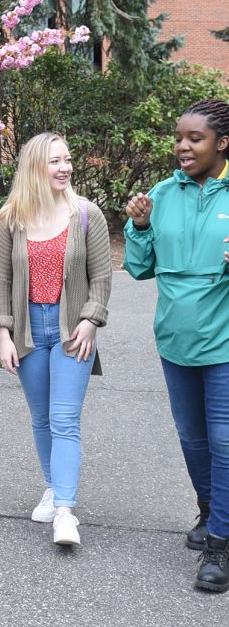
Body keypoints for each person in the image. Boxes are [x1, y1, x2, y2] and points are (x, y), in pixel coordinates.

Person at [124, 98, 229, 593]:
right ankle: (210, 512)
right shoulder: (161, 194)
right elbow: (140, 268)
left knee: (226, 442)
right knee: (192, 438)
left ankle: (221, 544)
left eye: (195, 139)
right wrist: (140, 227)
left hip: (225, 341)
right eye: (179, 137)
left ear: (222, 144)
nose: (183, 146)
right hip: (175, 340)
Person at [0, 132, 112, 547]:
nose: (65, 168)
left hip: (70, 329)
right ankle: (52, 485)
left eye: (68, 160)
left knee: (64, 419)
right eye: (55, 161)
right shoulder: (10, 219)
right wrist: (4, 334)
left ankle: (65, 512)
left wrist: (92, 320)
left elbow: (102, 276)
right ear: (34, 168)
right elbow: (0, 280)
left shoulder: (85, 214)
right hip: (27, 330)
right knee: (41, 418)